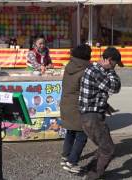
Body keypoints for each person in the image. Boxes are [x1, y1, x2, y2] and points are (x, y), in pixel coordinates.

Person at [79, 47, 123, 180]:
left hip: (91, 115)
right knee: (108, 148)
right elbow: (115, 87)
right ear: (109, 60)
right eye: (114, 64)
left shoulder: (93, 69)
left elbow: (95, 92)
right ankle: (93, 176)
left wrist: (105, 105)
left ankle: (90, 169)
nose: (115, 68)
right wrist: (111, 72)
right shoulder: (96, 71)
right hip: (92, 117)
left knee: (103, 145)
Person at [60, 44, 92, 174]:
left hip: (66, 104)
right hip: (78, 107)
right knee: (82, 135)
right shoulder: (86, 70)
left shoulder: (70, 66)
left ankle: (65, 156)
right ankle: (72, 162)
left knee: (70, 132)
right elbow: (88, 90)